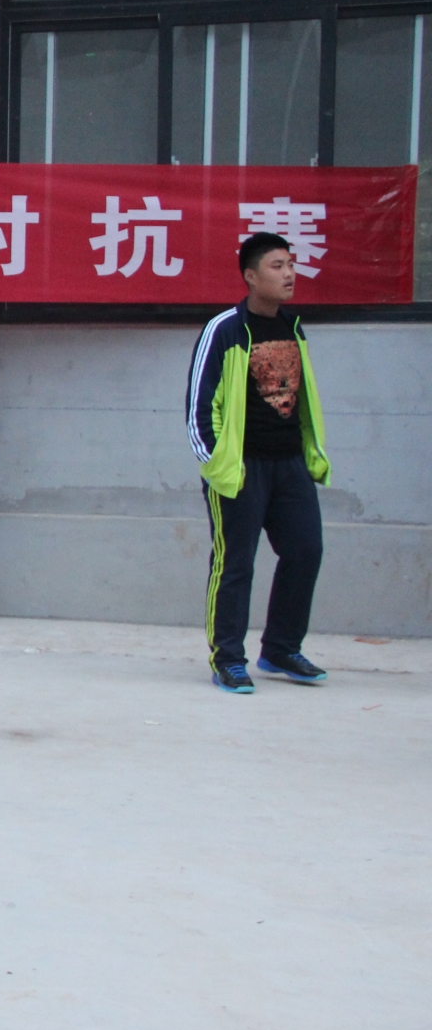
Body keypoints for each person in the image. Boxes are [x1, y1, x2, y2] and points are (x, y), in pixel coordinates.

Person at [186, 231, 331, 695]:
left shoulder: (292, 326)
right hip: (241, 467)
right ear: (250, 276)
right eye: (277, 266)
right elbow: (199, 407)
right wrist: (218, 463)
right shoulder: (225, 328)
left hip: (289, 465)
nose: (289, 274)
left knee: (305, 551)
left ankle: (282, 649)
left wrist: (307, 457)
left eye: (291, 264)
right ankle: (228, 658)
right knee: (235, 565)